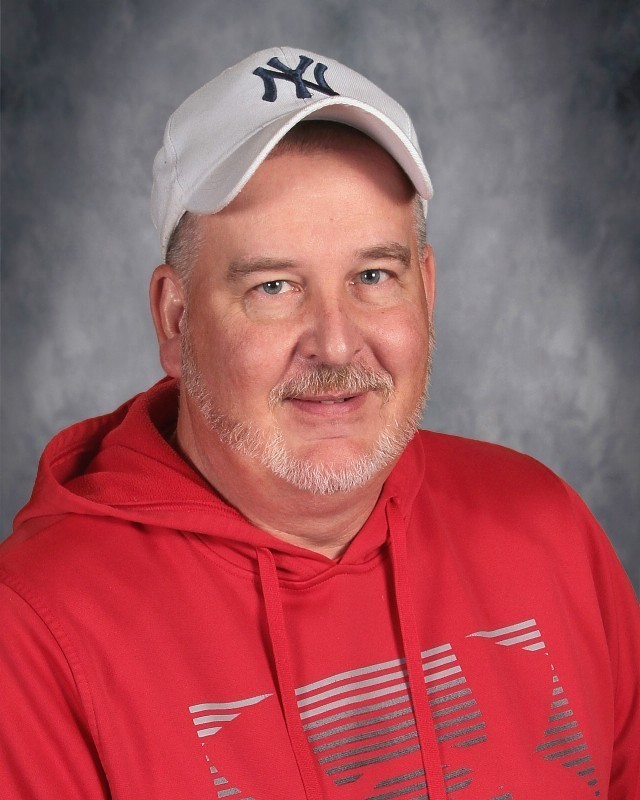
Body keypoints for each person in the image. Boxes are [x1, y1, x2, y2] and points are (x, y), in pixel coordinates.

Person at [1, 46, 638, 800]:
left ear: (426, 289)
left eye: (374, 277)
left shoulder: (544, 527)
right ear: (176, 320)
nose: (336, 343)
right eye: (275, 287)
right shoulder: (35, 633)